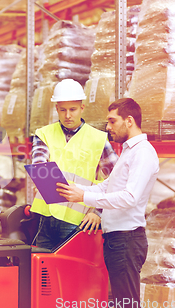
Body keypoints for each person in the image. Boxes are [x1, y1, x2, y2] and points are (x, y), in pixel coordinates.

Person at [56, 97, 159, 308]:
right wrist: (75, 190)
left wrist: (84, 197)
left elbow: (129, 197)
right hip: (117, 240)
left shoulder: (143, 153)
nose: (108, 127)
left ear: (129, 121)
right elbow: (108, 187)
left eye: (112, 121)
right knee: (122, 304)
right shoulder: (129, 151)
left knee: (127, 306)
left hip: (127, 240)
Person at [30, 78, 118, 251]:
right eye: (62, 110)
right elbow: (39, 165)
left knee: (71, 272)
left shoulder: (98, 139)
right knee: (41, 272)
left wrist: (99, 211)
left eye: (73, 109)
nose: (68, 115)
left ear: (82, 108)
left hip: (78, 222)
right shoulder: (44, 134)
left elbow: (117, 180)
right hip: (45, 217)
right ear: (56, 109)